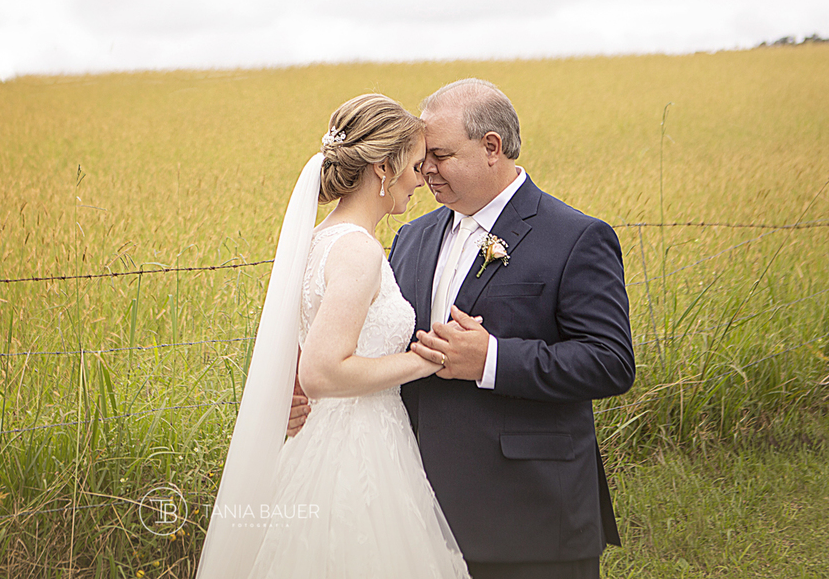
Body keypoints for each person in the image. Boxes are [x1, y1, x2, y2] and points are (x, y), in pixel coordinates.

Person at [291, 78, 634, 579]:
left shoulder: (576, 236)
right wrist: (301, 384)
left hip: (529, 512)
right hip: (411, 503)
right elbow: (370, 339)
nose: (424, 168)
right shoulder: (412, 235)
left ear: (491, 147)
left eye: (440, 154)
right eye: (421, 157)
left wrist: (492, 359)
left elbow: (610, 362)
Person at [196, 94, 470, 579]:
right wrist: (427, 359)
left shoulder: (322, 239)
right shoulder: (356, 250)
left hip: (325, 438)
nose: (420, 181)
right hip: (355, 454)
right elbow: (321, 371)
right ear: (383, 169)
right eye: (412, 166)